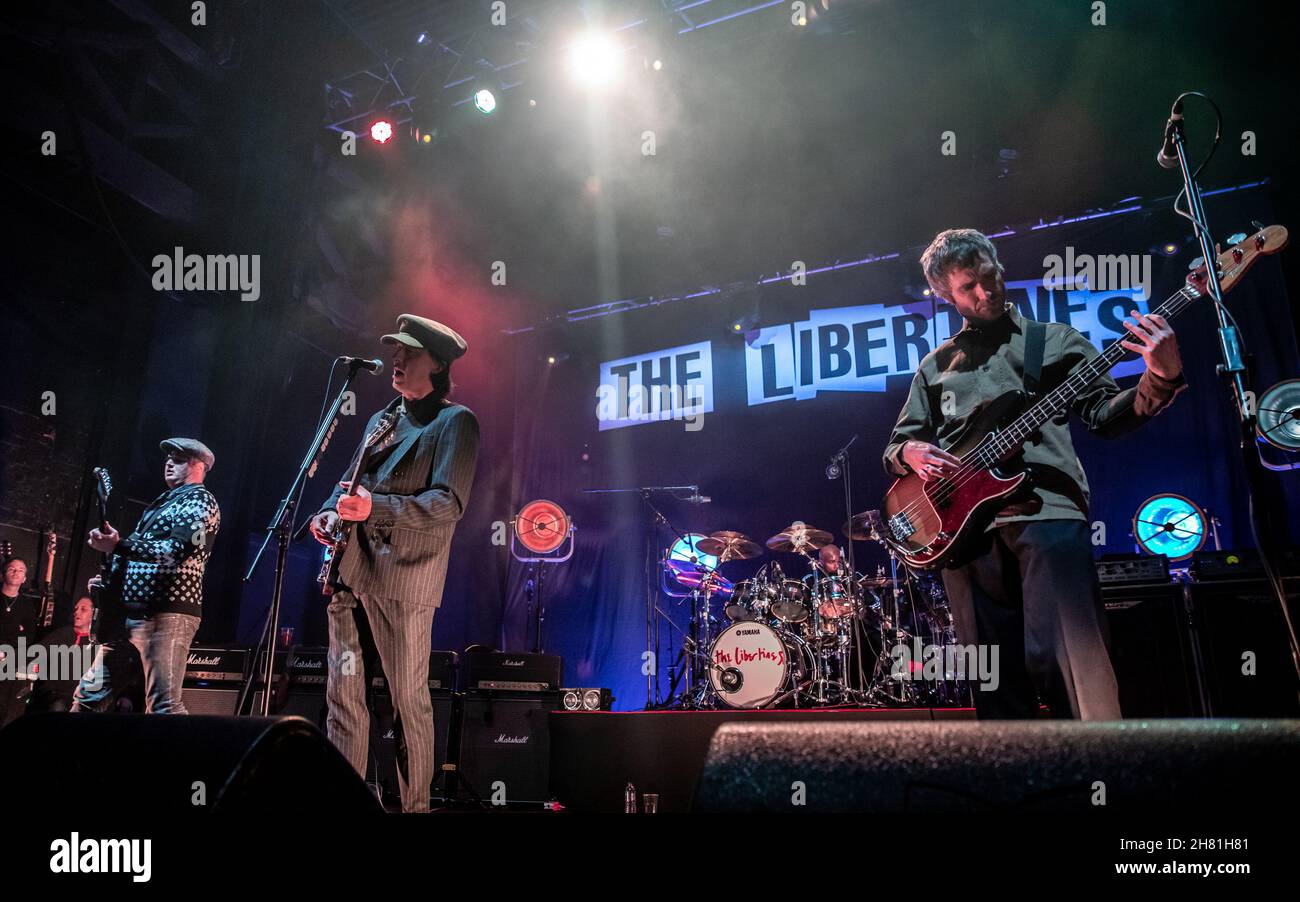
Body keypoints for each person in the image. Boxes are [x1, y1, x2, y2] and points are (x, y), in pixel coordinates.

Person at [882, 228, 1186, 720]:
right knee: (994, 683)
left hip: (1047, 514)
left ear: (997, 265)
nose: (986, 292)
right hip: (963, 537)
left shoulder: (1056, 341)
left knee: (1077, 668)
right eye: (968, 288)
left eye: (989, 276)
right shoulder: (934, 367)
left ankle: (1101, 780)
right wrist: (910, 452)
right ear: (945, 296)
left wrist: (1160, 377)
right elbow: (898, 446)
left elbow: (1107, 417)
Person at [309, 314, 479, 813]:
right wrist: (325, 515)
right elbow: (346, 485)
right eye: (395, 350)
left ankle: (415, 809)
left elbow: (448, 503)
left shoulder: (456, 422)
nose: (396, 359)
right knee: (344, 702)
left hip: (403, 581)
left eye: (408, 352)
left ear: (439, 363)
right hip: (348, 574)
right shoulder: (380, 419)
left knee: (410, 705)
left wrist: (374, 507)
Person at [73, 439, 220, 714]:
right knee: (87, 697)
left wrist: (119, 545)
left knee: (164, 704)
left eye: (177, 458)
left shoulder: (201, 500)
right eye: (168, 458)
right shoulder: (162, 503)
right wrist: (111, 573)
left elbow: (178, 551)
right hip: (130, 617)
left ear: (198, 465)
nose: (168, 463)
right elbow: (139, 554)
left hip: (166, 616)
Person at [0, 558, 38, 726]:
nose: (16, 572)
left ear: (24, 579)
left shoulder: (26, 605)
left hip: (9, 661)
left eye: (21, 570)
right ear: (3, 574)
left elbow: (28, 637)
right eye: (12, 569)